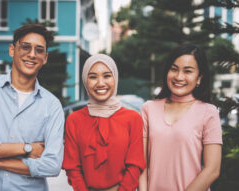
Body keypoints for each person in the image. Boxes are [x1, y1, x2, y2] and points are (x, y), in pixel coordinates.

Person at [0, 24, 64, 191]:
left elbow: (52, 165)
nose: (31, 54)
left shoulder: (52, 105)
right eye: (25, 47)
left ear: (45, 58)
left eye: (39, 50)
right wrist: (27, 148)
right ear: (12, 50)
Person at [139, 44, 222, 191]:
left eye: (188, 71)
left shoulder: (208, 112)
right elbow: (141, 164)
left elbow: (212, 170)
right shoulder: (148, 109)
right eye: (174, 69)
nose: (179, 77)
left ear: (199, 78)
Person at [62, 54, 146, 191]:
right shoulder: (74, 120)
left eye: (107, 76)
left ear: (115, 78)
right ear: (85, 80)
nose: (100, 83)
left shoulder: (132, 118)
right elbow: (72, 166)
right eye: (93, 77)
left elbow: (135, 165)